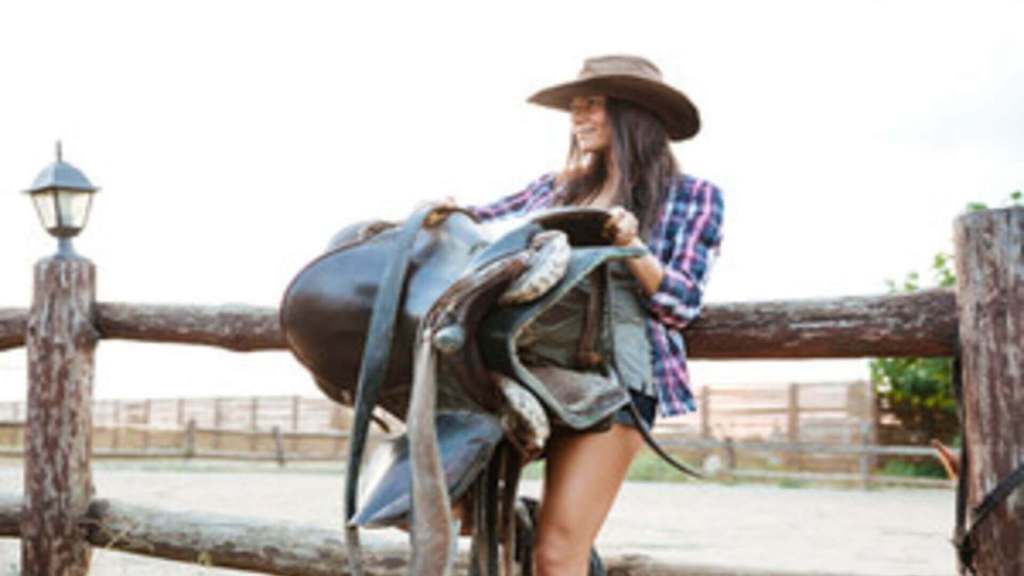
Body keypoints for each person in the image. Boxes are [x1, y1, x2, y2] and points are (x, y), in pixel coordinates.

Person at [467, 54, 725, 576]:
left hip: (617, 378)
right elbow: (480, 227)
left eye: (592, 105)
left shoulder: (693, 197)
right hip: (528, 368)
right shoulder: (553, 189)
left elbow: (681, 303)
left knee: (557, 554)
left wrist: (632, 246)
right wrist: (442, 217)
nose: (577, 117)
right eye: (575, 107)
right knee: (453, 506)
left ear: (633, 114)